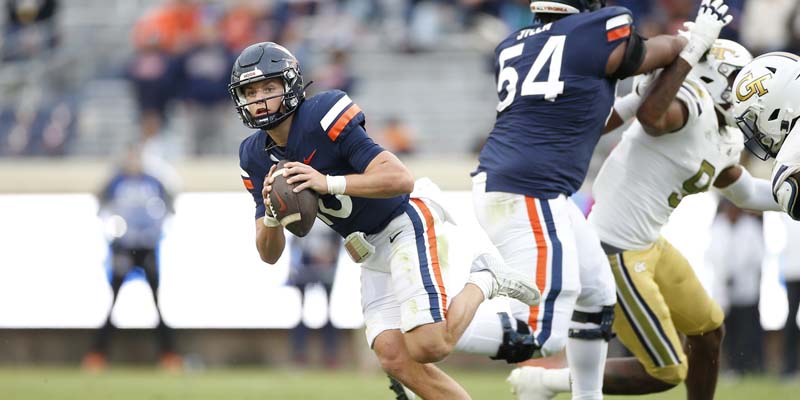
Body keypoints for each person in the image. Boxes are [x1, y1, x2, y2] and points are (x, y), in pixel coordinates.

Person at [233, 42, 540, 399]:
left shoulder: (321, 115)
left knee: (429, 346)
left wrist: (326, 182)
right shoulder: (253, 155)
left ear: (290, 86)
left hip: (403, 222)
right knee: (393, 356)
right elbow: (268, 254)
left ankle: (484, 280)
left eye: (269, 88)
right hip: (367, 250)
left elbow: (400, 178)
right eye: (250, 92)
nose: (260, 99)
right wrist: (271, 214)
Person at [509, 32, 784, 400]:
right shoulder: (684, 108)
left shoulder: (722, 134)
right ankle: (546, 382)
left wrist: (791, 196)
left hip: (648, 243)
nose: (745, 94)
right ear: (712, 76)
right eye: (737, 82)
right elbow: (652, 115)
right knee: (668, 370)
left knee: (708, 330)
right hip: (615, 250)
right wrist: (687, 55)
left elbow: (747, 191)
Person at [472, 0, 725, 398]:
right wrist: (692, 44)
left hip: (523, 186)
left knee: (598, 296)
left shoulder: (515, 43)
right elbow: (656, 52)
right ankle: (427, 330)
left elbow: (594, 119)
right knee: (541, 336)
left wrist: (643, 89)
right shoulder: (599, 28)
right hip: (529, 191)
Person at [82, 144, 180, 371]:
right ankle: (98, 355)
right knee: (112, 302)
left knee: (157, 303)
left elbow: (170, 204)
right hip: (123, 247)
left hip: (147, 246)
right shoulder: (116, 181)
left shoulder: (154, 181)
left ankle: (168, 355)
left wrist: (157, 230)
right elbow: (100, 203)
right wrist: (112, 231)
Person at [709, 199, 765, 376]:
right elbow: (711, 255)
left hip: (746, 288)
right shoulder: (717, 228)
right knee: (729, 331)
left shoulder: (750, 227)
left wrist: (740, 270)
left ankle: (748, 366)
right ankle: (732, 367)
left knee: (747, 330)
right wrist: (724, 273)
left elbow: (758, 256)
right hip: (723, 289)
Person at [286, 223, 342, 368]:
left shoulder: (332, 213)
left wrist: (330, 256)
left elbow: (338, 241)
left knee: (329, 314)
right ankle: (299, 356)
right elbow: (294, 242)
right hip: (305, 267)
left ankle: (331, 356)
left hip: (327, 270)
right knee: (301, 313)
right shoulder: (301, 209)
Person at [780, 215, 800, 378]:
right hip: (793, 273)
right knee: (791, 320)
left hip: (792, 272)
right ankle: (789, 367)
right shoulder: (789, 211)